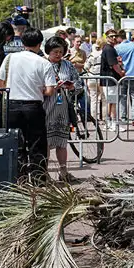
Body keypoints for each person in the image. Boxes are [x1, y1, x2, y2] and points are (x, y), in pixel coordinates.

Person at [0, 28, 56, 181]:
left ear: (22, 43)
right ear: (40, 44)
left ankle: (16, 178)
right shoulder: (44, 63)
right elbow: (50, 90)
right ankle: (38, 180)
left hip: (12, 106)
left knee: (14, 143)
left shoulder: (10, 58)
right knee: (37, 144)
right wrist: (38, 90)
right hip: (33, 106)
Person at [43, 36, 79, 181]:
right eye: (55, 52)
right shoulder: (42, 64)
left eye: (60, 51)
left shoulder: (68, 65)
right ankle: (44, 172)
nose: (58, 54)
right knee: (45, 141)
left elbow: (79, 83)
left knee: (62, 141)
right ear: (48, 51)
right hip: (46, 106)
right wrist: (50, 88)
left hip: (63, 107)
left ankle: (63, 171)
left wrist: (72, 87)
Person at [115, 29, 134, 126]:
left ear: (119, 37)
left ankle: (123, 117)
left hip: (122, 74)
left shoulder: (117, 48)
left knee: (123, 96)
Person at [100, 28, 124, 124]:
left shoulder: (110, 48)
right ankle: (112, 122)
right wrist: (122, 73)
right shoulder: (109, 49)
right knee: (112, 101)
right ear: (107, 38)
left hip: (111, 80)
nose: (114, 38)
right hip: (110, 80)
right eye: (111, 36)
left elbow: (115, 62)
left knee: (112, 101)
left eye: (115, 36)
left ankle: (111, 122)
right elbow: (113, 65)